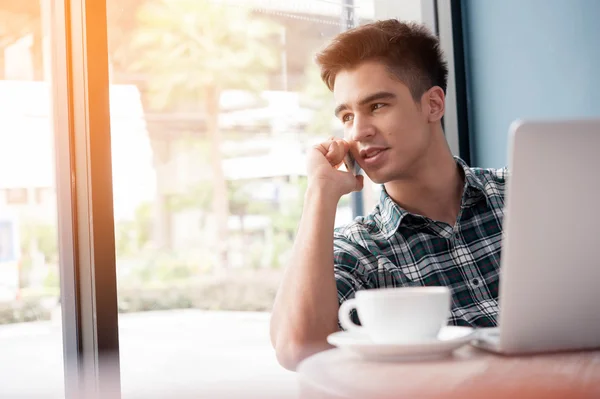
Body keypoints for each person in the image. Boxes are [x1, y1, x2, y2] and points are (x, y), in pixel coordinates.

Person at [269, 19, 507, 371]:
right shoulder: (360, 251)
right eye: (347, 116)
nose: (359, 131)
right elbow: (299, 350)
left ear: (433, 105)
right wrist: (319, 194)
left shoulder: (525, 194)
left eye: (377, 106)